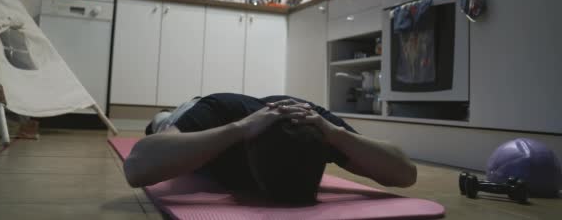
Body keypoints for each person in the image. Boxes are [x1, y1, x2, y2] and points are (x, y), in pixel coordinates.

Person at [123, 93, 417, 204]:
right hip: (199, 109)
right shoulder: (219, 112)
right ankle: (163, 113)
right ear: (247, 151)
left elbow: (406, 173)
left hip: (278, 116)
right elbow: (136, 167)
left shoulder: (316, 126)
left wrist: (336, 134)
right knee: (163, 123)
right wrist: (239, 129)